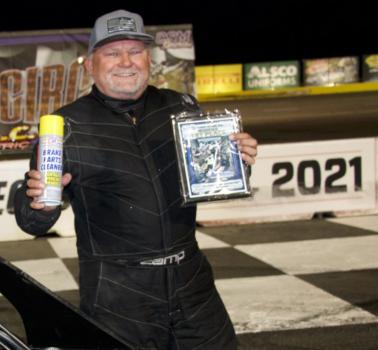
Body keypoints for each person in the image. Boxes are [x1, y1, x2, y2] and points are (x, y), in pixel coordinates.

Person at [14, 9, 258, 349]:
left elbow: (211, 179)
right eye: (113, 53)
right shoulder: (64, 126)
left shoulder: (181, 107)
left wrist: (238, 161)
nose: (126, 61)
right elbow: (33, 222)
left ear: (149, 59)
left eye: (136, 51)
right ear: (90, 64)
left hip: (193, 285)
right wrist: (37, 204)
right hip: (118, 297)